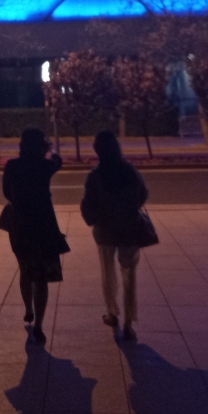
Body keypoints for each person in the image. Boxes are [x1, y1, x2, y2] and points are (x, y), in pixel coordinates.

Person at [80, 130, 149, 341]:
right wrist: (129, 209)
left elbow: (87, 204)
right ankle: (129, 322)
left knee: (107, 273)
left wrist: (95, 217)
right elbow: (143, 193)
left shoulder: (95, 175)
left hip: (105, 230)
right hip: (128, 228)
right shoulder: (129, 171)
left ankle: (112, 312)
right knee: (129, 275)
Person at [2, 127, 69, 343]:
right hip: (43, 223)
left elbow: (6, 193)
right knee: (41, 277)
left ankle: (28, 308)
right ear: (42, 146)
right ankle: (39, 325)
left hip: (20, 224)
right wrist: (50, 149)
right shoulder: (45, 165)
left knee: (24, 267)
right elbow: (58, 161)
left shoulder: (12, 166)